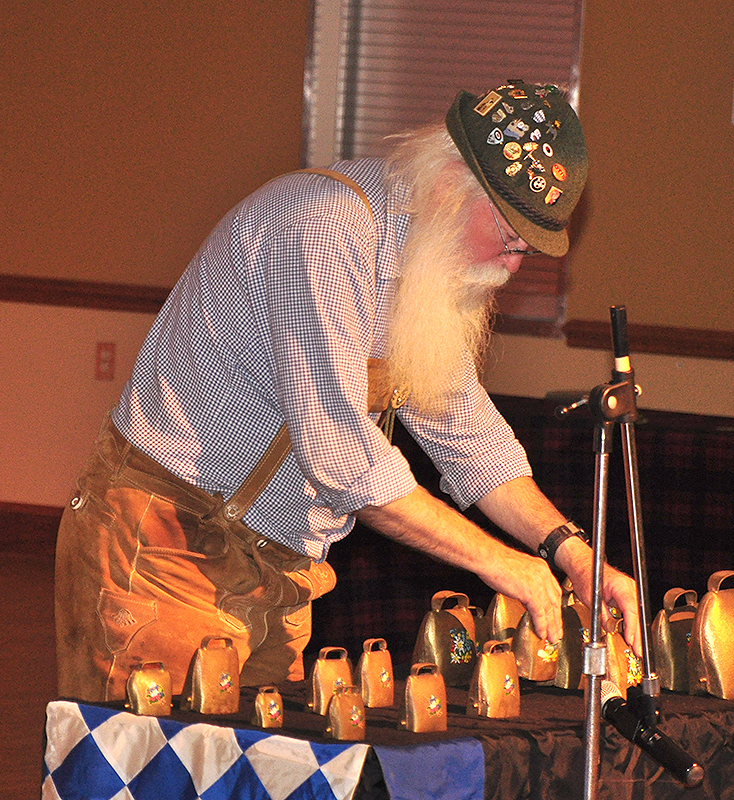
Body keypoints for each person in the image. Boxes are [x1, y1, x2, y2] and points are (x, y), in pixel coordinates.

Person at [54, 80, 641, 703]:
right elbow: (340, 455)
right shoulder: (322, 225)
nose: (514, 262)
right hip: (164, 546)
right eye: (509, 231)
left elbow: (469, 438)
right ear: (448, 187)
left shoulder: (420, 266)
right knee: (145, 772)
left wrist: (571, 551)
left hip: (278, 569)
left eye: (529, 246)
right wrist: (499, 562)